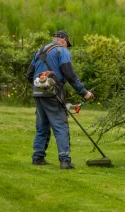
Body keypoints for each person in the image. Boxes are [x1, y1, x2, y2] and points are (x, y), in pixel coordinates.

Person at [26, 30, 93, 169]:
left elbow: (29, 75)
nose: (67, 46)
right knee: (60, 125)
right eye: (67, 43)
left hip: (37, 92)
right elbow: (70, 74)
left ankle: (38, 157)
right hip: (53, 92)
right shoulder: (61, 51)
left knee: (42, 125)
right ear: (62, 40)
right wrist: (84, 92)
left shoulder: (39, 51)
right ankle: (64, 160)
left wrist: (40, 85)